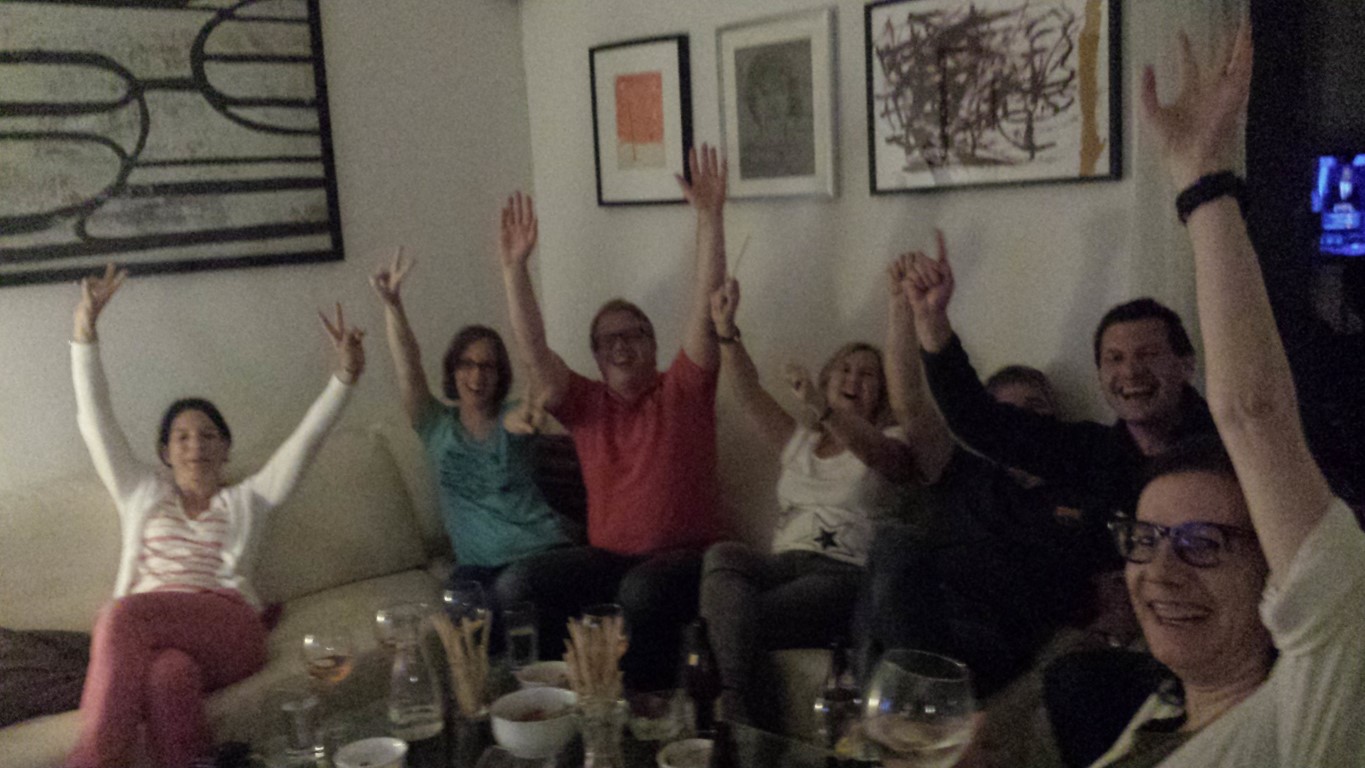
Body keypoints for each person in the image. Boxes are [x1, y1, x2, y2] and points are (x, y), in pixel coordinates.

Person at [1083, 20, 1365, 766]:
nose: (1159, 572)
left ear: (1280, 577)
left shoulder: (1313, 703)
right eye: (1145, 540)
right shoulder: (1163, 709)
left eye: (1202, 544)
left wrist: (1202, 180)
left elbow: (1254, 415)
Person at [67, 265, 365, 768]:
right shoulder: (140, 493)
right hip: (160, 637)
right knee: (168, 676)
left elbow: (306, 442)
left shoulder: (248, 500)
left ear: (225, 448)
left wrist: (345, 378)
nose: (196, 446)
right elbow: (96, 422)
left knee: (118, 616)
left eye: (208, 436)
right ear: (164, 452)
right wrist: (84, 335)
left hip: (230, 628)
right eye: (182, 437)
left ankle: (94, 761)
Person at [498, 145, 728, 689]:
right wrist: (515, 270)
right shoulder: (584, 403)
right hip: (607, 558)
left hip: (686, 561)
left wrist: (710, 219)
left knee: (639, 593)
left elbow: (705, 304)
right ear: (597, 357)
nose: (621, 346)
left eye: (633, 334)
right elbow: (534, 350)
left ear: (654, 343)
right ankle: (556, 697)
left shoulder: (684, 388)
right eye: (608, 340)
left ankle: (636, 711)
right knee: (515, 586)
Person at [698, 252, 951, 723]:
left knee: (735, 623)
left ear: (882, 394)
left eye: (868, 375)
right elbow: (748, 392)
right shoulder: (801, 443)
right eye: (845, 370)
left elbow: (881, 457)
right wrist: (726, 331)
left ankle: (733, 712)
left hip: (841, 576)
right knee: (723, 555)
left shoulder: (892, 441)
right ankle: (741, 710)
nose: (854, 379)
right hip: (781, 564)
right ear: (826, 379)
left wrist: (825, 409)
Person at [903, 237, 1217, 520]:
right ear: (1099, 374)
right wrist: (932, 320)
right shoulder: (1088, 453)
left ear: (1186, 366)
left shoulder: (1226, 445)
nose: (1131, 371)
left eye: (1148, 354)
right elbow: (975, 419)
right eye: (1115, 358)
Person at [369, 245, 572, 609]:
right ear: (453, 369)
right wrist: (393, 306)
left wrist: (528, 419)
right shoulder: (435, 425)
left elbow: (529, 408)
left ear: (500, 374)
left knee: (512, 591)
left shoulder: (515, 415)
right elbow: (409, 367)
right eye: (467, 364)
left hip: (540, 554)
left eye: (488, 366)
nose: (477, 376)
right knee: (457, 610)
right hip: (477, 569)